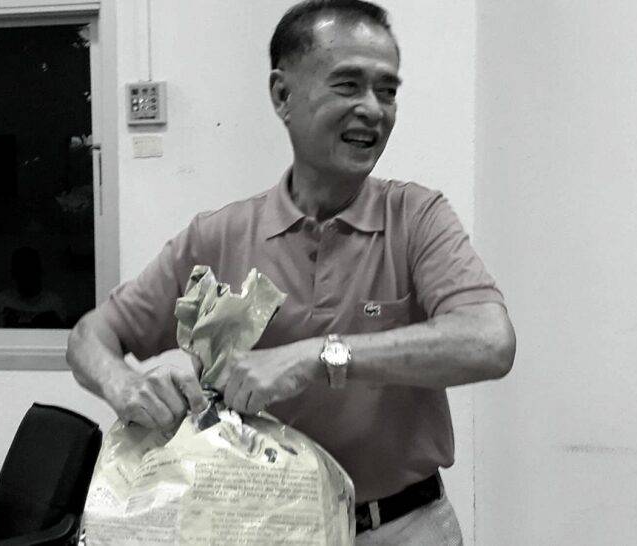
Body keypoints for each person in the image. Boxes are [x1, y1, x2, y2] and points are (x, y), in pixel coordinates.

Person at [67, 1, 516, 543]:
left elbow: (489, 342)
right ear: (282, 95)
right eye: (348, 85)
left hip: (401, 526)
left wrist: (316, 357)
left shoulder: (416, 218)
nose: (373, 109)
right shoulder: (219, 236)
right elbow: (91, 337)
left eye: (387, 90)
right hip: (256, 530)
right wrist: (125, 385)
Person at [0, 246, 66, 328]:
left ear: (39, 272)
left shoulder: (54, 303)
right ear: (14, 274)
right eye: (22, 271)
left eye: (31, 270)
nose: (27, 276)